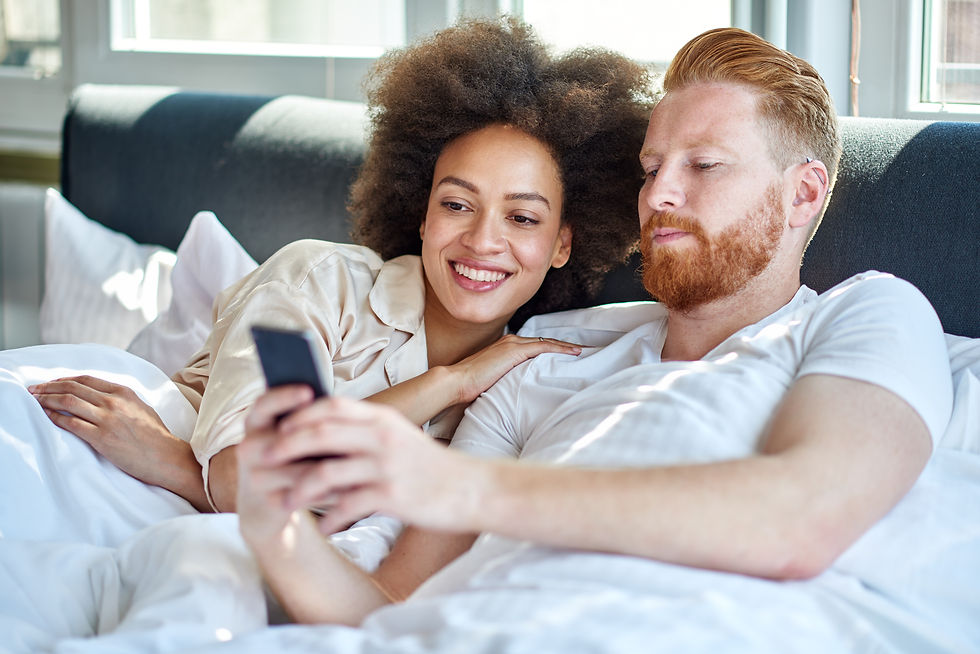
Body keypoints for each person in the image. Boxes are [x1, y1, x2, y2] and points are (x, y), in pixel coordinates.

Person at [233, 25, 952, 627]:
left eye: (703, 165)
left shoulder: (869, 315)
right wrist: (275, 525)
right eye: (650, 169)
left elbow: (804, 520)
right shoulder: (543, 366)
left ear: (802, 194)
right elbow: (385, 606)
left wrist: (455, 486)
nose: (660, 195)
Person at [27, 18, 653, 515]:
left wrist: (168, 461)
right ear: (422, 215)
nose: (483, 241)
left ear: (563, 243)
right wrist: (446, 383)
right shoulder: (317, 283)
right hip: (77, 447)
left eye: (522, 218)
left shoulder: (532, 381)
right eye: (457, 205)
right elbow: (248, 476)